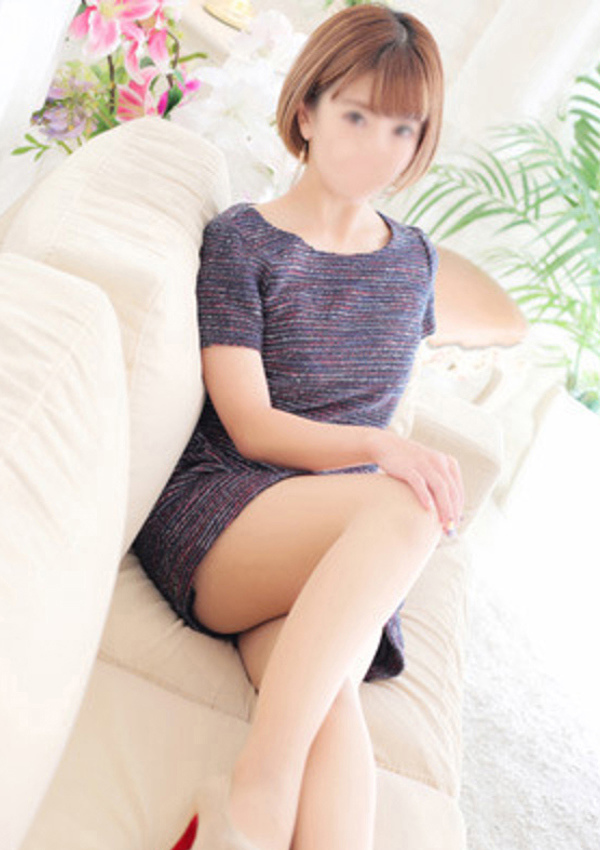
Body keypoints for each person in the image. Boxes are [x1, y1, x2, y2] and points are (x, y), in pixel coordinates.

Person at [133, 5, 465, 850]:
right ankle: (255, 794)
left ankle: (239, 832)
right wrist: (381, 447)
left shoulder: (416, 261)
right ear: (308, 110)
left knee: (324, 699)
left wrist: (381, 459)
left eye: (403, 128)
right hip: (226, 516)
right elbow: (250, 426)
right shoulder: (244, 243)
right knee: (409, 504)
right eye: (356, 116)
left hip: (339, 542)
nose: (378, 147)